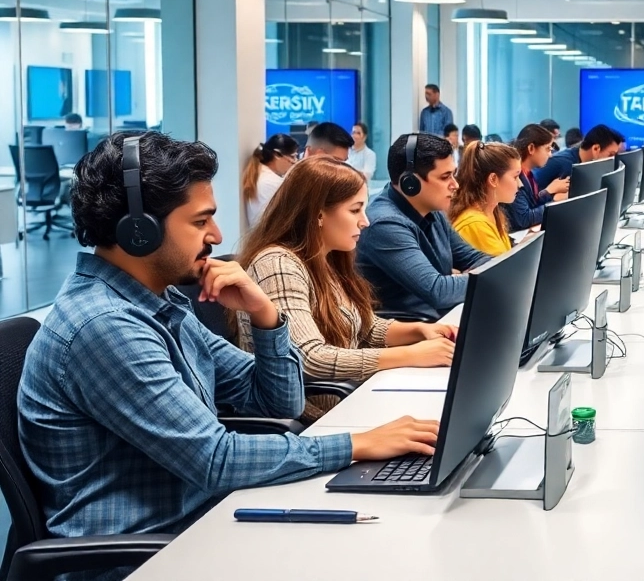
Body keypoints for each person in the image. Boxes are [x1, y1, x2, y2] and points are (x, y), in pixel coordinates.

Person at [17, 132, 439, 553]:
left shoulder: (160, 304)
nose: (217, 236)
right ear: (138, 232)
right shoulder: (106, 326)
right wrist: (356, 445)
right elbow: (214, 461)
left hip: (205, 518)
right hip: (146, 553)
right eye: (200, 221)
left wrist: (266, 317)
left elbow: (277, 404)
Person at [235, 157, 457, 421]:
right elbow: (309, 357)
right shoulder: (277, 264)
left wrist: (418, 331)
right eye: (355, 210)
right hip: (316, 420)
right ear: (318, 213)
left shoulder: (325, 257)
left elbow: (365, 327)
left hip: (350, 400)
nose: (365, 221)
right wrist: (411, 354)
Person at [356, 133, 492, 321]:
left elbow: (472, 258)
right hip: (409, 339)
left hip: (440, 322)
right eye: (445, 177)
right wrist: (491, 278)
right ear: (410, 183)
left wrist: (483, 274)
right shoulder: (384, 223)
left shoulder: (431, 209)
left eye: (453, 174)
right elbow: (438, 291)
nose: (455, 185)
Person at [449, 141, 522, 256]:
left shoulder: (492, 212)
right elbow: (504, 270)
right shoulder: (474, 224)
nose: (520, 184)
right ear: (493, 179)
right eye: (515, 176)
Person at [509, 123, 569, 231]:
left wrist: (549, 192)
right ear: (531, 148)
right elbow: (524, 218)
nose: (550, 155)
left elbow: (532, 202)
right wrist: (554, 203)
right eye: (547, 149)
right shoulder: (515, 177)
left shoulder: (528, 174)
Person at [534, 124, 625, 191]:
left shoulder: (582, 160)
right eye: (610, 154)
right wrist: (551, 198)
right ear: (596, 148)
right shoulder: (562, 164)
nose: (612, 159)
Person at [242, 133, 300, 226]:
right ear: (277, 154)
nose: (294, 161)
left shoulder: (260, 174)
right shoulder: (271, 181)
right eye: (293, 156)